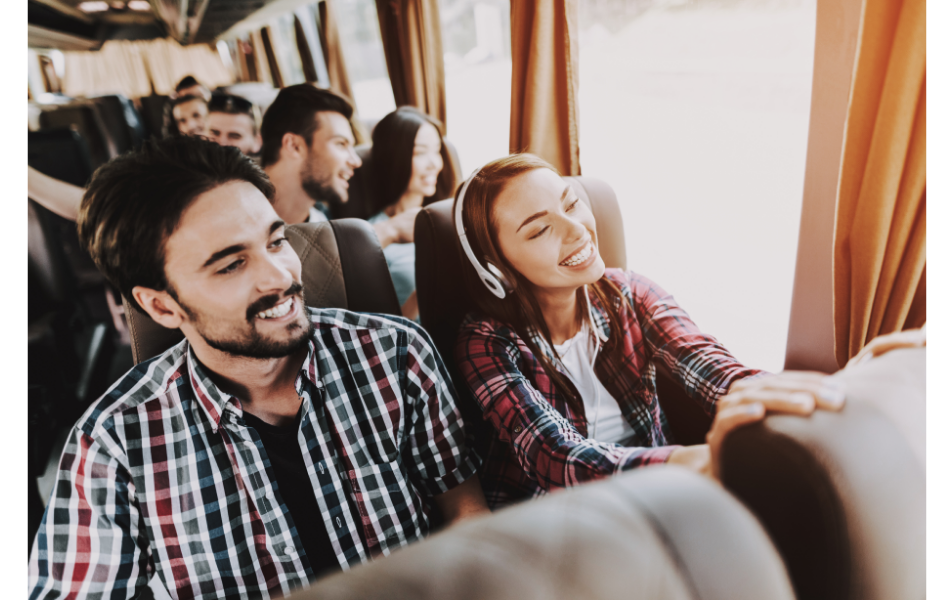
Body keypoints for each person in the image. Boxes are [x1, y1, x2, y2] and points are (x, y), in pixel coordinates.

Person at [29, 137, 487, 599]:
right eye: (231, 265)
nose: (281, 277)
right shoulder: (114, 443)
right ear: (162, 307)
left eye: (277, 241)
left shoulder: (394, 352)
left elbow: (463, 510)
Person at [453, 154, 854, 510]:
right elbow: (552, 456)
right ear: (496, 268)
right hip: (555, 523)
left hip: (660, 498)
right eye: (540, 230)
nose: (577, 230)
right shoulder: (485, 341)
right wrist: (690, 462)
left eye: (571, 204)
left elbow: (717, 371)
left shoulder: (631, 293)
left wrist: (828, 399)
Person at [260, 84, 418, 247]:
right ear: (294, 146)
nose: (356, 161)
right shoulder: (238, 221)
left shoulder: (320, 221)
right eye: (341, 144)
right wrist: (388, 230)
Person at [366, 107, 446, 320]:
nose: (434, 164)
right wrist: (428, 286)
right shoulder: (373, 236)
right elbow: (386, 334)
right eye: (420, 153)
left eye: (437, 150)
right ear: (394, 157)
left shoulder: (448, 216)